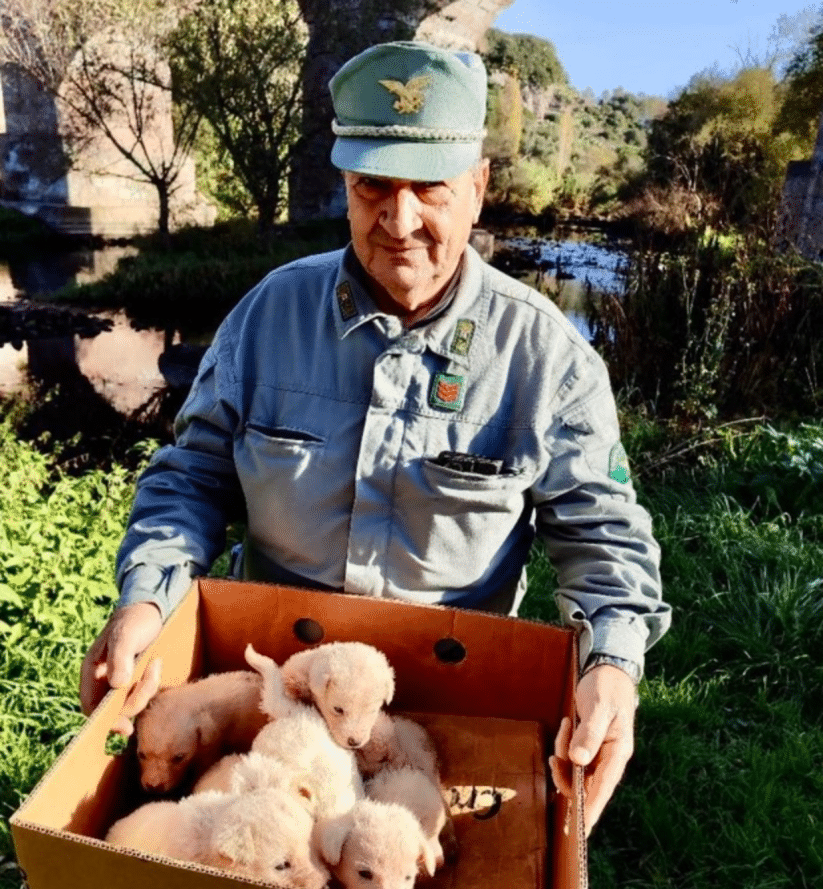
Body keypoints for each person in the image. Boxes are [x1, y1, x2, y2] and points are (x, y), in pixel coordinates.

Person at [80, 40, 670, 835]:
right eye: (371, 188)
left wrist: (610, 666)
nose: (399, 222)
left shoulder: (546, 357)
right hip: (269, 691)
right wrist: (148, 599)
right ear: (346, 189)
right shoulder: (267, 316)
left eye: (429, 188)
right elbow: (192, 476)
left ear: (478, 185)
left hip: (441, 709)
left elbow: (600, 538)